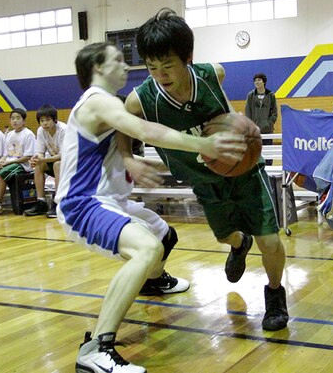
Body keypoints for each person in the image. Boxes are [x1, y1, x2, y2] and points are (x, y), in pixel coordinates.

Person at [56, 42, 245, 373]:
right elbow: (144, 129)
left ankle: (153, 281)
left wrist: (140, 162)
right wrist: (203, 143)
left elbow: (108, 152)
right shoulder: (97, 101)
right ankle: (97, 348)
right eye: (118, 60)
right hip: (82, 204)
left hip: (108, 199)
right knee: (146, 249)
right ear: (98, 68)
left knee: (163, 235)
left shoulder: (106, 104)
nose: (126, 65)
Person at [125, 8, 289, 332]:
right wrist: (128, 157)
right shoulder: (141, 100)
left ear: (188, 57)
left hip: (246, 174)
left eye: (168, 65)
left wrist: (240, 129)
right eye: (152, 67)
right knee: (225, 236)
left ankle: (274, 295)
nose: (161, 74)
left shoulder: (213, 74)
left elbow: (225, 104)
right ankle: (239, 244)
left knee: (269, 240)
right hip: (204, 183)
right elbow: (120, 126)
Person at [0, 109, 35, 217]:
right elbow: (5, 154)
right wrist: (1, 161)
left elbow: (27, 157)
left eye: (18, 118)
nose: (15, 121)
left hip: (22, 165)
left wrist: (8, 162)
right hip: (9, 162)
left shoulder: (28, 134)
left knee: (2, 174)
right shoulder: (9, 134)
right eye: (13, 118)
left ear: (24, 121)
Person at [24, 104, 66, 218]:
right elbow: (40, 152)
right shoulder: (41, 131)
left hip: (69, 165)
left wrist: (43, 159)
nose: (44, 123)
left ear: (55, 119)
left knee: (57, 164)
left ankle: (58, 201)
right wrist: (36, 159)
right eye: (42, 120)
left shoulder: (64, 130)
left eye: (47, 120)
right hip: (53, 161)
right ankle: (41, 201)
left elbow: (64, 155)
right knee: (38, 165)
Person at [245, 72, 278, 165]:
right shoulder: (250, 95)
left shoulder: (271, 95)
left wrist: (269, 123)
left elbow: (275, 112)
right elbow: (248, 112)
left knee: (269, 154)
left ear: (264, 82)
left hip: (268, 130)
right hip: (255, 131)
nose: (256, 82)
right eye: (255, 80)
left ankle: (269, 174)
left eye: (259, 80)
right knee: (255, 154)